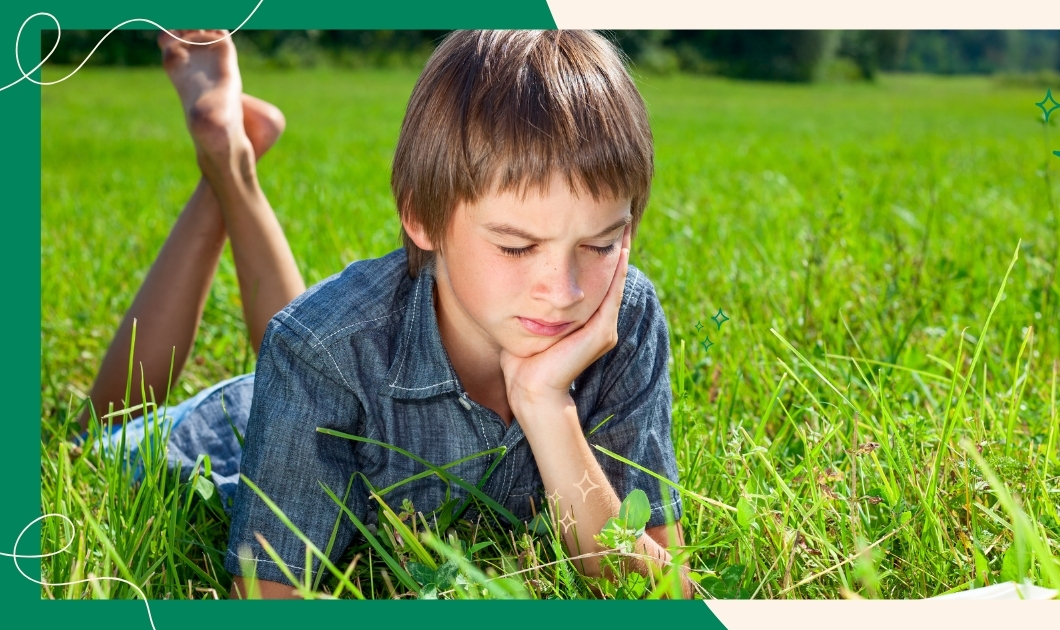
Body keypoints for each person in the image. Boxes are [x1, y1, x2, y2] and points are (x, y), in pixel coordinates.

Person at [82, 28, 691, 599]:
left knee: (328, 342)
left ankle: (231, 159)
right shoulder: (319, 348)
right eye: (515, 246)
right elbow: (265, 601)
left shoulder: (625, 316)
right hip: (220, 436)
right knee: (99, 429)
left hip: (330, 367)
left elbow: (660, 590)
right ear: (421, 218)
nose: (564, 290)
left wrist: (547, 406)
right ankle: (226, 162)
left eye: (600, 244)